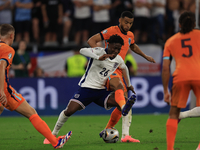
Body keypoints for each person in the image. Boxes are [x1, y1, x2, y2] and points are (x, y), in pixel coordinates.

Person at [43, 34, 136, 144]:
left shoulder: (118, 59)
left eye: (118, 49)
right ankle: (52, 135)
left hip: (101, 92)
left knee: (123, 104)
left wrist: (129, 84)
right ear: (108, 44)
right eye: (114, 48)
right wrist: (97, 57)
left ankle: (125, 135)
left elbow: (125, 68)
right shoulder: (99, 51)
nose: (115, 51)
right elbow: (82, 50)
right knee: (69, 111)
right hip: (87, 89)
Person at [87, 11, 155, 142]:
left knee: (123, 102)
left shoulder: (130, 35)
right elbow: (92, 40)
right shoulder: (111, 30)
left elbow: (133, 46)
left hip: (119, 69)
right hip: (109, 68)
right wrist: (99, 56)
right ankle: (124, 133)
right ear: (120, 20)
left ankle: (117, 133)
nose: (128, 25)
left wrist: (145, 56)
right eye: (126, 22)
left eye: (130, 23)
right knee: (123, 100)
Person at [0, 24, 72, 149]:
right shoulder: (7, 49)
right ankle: (55, 142)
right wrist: (1, 91)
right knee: (31, 112)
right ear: (11, 36)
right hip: (4, 90)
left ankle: (54, 140)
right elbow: (1, 66)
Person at [161, 11, 200, 150]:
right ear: (195, 24)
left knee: (173, 113)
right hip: (199, 76)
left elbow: (165, 68)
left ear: (179, 25)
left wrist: (165, 90)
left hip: (180, 77)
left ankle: (170, 149)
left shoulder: (170, 41)